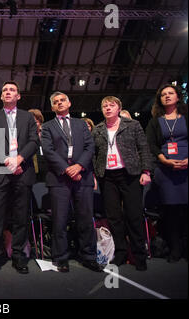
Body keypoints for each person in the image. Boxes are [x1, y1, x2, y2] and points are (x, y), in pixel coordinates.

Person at [0, 81, 39, 277]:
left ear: (18, 96)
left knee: (20, 217)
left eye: (12, 90)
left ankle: (18, 256)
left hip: (23, 170)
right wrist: (7, 161)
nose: (7, 92)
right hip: (0, 170)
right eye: (4, 90)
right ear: (1, 96)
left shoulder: (28, 116)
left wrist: (19, 159)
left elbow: (34, 140)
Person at [41, 91, 101, 273]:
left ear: (69, 103)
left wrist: (79, 166)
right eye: (56, 102)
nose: (59, 103)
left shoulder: (81, 125)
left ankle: (88, 256)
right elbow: (48, 150)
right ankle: (61, 258)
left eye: (62, 100)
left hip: (82, 176)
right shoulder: (47, 126)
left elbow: (90, 147)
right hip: (59, 177)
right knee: (59, 220)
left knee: (85, 218)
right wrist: (67, 169)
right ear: (52, 107)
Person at [93, 96, 153, 270]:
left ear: (119, 108)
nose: (108, 108)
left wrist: (146, 171)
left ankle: (139, 254)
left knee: (134, 215)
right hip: (107, 177)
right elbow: (94, 154)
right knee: (113, 216)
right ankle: (120, 251)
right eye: (105, 106)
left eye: (112, 105)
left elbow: (143, 147)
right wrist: (94, 175)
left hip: (130, 174)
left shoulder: (132, 125)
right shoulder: (97, 129)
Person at [146, 84, 188, 263]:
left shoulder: (186, 117)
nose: (167, 96)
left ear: (178, 97)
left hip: (187, 168)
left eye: (171, 93)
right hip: (166, 170)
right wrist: (164, 160)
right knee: (170, 212)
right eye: (163, 94)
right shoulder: (155, 121)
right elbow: (152, 145)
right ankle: (175, 249)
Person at [28, 108, 48, 183]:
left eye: (36, 122)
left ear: (40, 122)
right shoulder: (25, 134)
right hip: (32, 166)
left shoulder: (46, 133)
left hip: (47, 165)